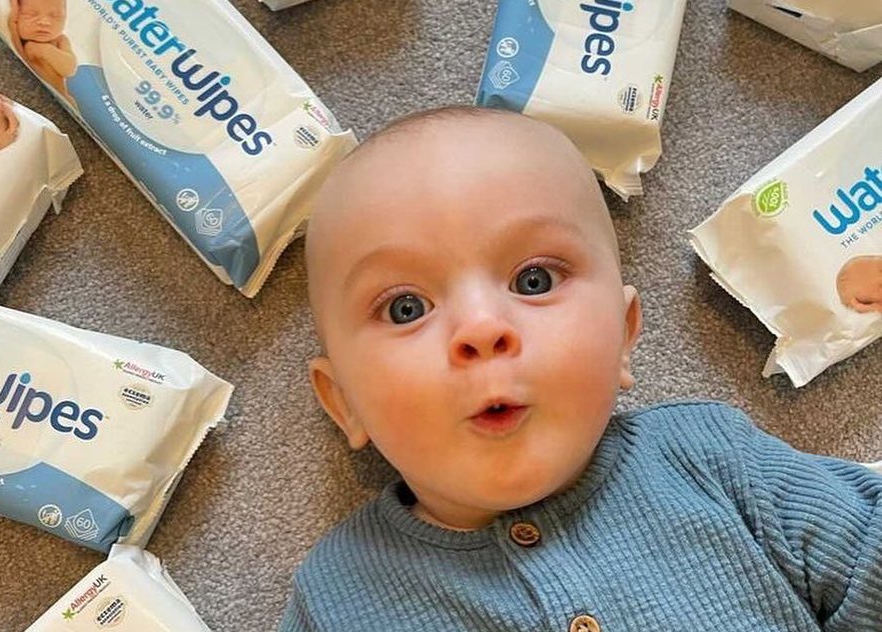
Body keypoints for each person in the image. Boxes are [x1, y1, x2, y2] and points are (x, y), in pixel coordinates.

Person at [280, 105, 882, 631]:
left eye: (534, 280)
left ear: (622, 334)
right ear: (345, 402)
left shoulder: (710, 456)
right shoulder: (335, 597)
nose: (482, 329)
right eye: (406, 308)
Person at [9, 0, 77, 103]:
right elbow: (16, 53)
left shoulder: (60, 40)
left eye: (55, 16)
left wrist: (44, 50)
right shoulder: (20, 40)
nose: (44, 22)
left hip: (62, 100)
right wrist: (13, 19)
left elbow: (69, 70)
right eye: (31, 15)